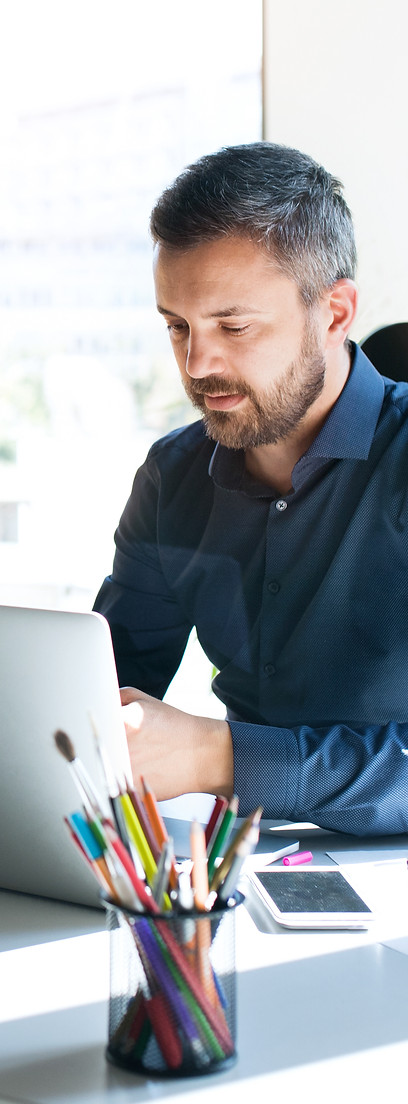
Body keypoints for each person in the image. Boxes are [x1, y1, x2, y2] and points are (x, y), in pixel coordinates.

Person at [94, 141, 408, 836]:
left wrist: (223, 756)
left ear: (334, 313)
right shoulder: (172, 476)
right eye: (178, 327)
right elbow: (98, 690)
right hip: (241, 864)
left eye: (234, 326)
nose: (198, 363)